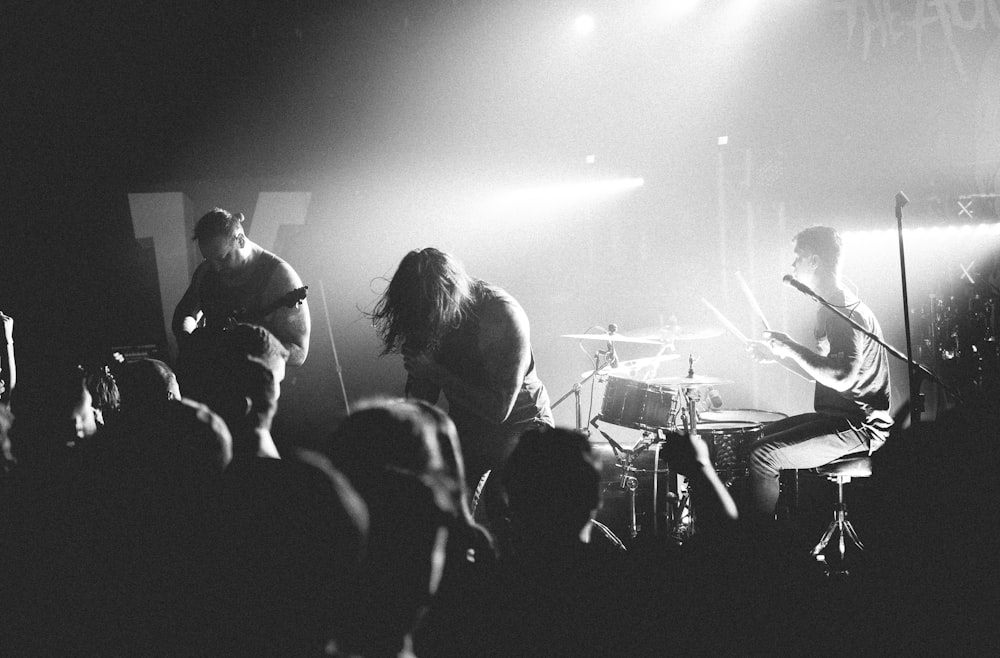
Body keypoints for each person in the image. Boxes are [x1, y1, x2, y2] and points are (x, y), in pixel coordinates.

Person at [369, 247, 553, 490]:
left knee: (506, 505)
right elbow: (423, 401)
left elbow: (499, 410)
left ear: (444, 296)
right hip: (470, 426)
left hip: (522, 425)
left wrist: (433, 371)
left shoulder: (500, 315)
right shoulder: (427, 317)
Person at [746, 226, 893, 522]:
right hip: (840, 416)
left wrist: (790, 346)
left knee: (762, 456)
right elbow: (823, 373)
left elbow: (841, 377)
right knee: (757, 437)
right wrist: (778, 357)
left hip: (861, 427)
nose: (792, 265)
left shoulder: (841, 310)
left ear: (814, 261)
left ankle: (758, 546)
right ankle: (778, 524)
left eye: (797, 257)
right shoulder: (828, 306)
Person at [172, 207, 310, 369]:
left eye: (223, 258)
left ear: (241, 241)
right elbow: (186, 314)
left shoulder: (280, 278)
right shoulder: (206, 270)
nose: (216, 268)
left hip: (257, 386)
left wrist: (253, 346)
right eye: (209, 260)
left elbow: (299, 353)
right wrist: (191, 343)